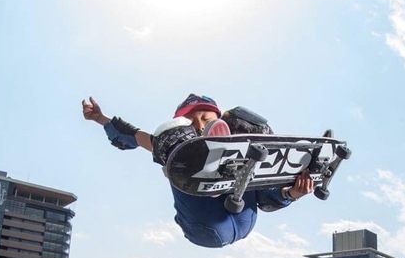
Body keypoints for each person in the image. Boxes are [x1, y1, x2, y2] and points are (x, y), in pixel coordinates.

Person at [82, 94, 315, 248]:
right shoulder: (170, 142)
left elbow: (265, 200)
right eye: (192, 122)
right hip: (203, 224)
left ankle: (221, 159)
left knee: (246, 144)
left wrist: (293, 193)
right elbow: (130, 135)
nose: (199, 125)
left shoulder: (247, 153)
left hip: (244, 215)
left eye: (205, 119)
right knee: (170, 144)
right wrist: (101, 118)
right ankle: (201, 166)